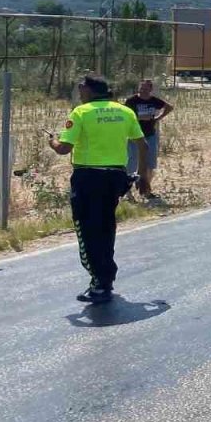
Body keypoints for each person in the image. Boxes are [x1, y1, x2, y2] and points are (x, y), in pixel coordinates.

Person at [48, 75, 149, 304]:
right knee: (105, 226)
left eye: (81, 87)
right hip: (115, 176)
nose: (79, 91)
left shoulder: (81, 112)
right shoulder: (125, 112)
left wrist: (53, 141)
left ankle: (99, 283)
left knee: (86, 229)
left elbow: (64, 149)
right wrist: (144, 176)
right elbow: (142, 144)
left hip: (88, 177)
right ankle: (106, 277)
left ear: (91, 90)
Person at [123, 79, 173, 195]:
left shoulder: (154, 100)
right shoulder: (132, 101)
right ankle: (128, 191)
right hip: (134, 136)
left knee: (151, 163)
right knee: (132, 162)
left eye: (146, 89)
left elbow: (169, 107)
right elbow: (125, 115)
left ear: (151, 90)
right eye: (141, 88)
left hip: (150, 134)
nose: (143, 91)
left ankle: (146, 189)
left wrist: (158, 118)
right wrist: (139, 118)